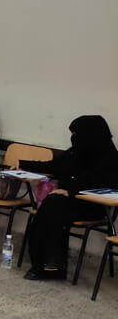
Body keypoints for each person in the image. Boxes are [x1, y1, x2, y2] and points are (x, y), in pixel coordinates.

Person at [17, 115, 118, 281]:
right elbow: (51, 166)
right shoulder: (74, 153)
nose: (73, 139)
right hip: (62, 204)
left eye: (75, 134)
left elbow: (108, 187)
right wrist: (21, 163)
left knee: (51, 206)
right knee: (50, 207)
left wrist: (71, 191)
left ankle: (48, 265)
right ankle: (48, 264)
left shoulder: (111, 159)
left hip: (90, 207)